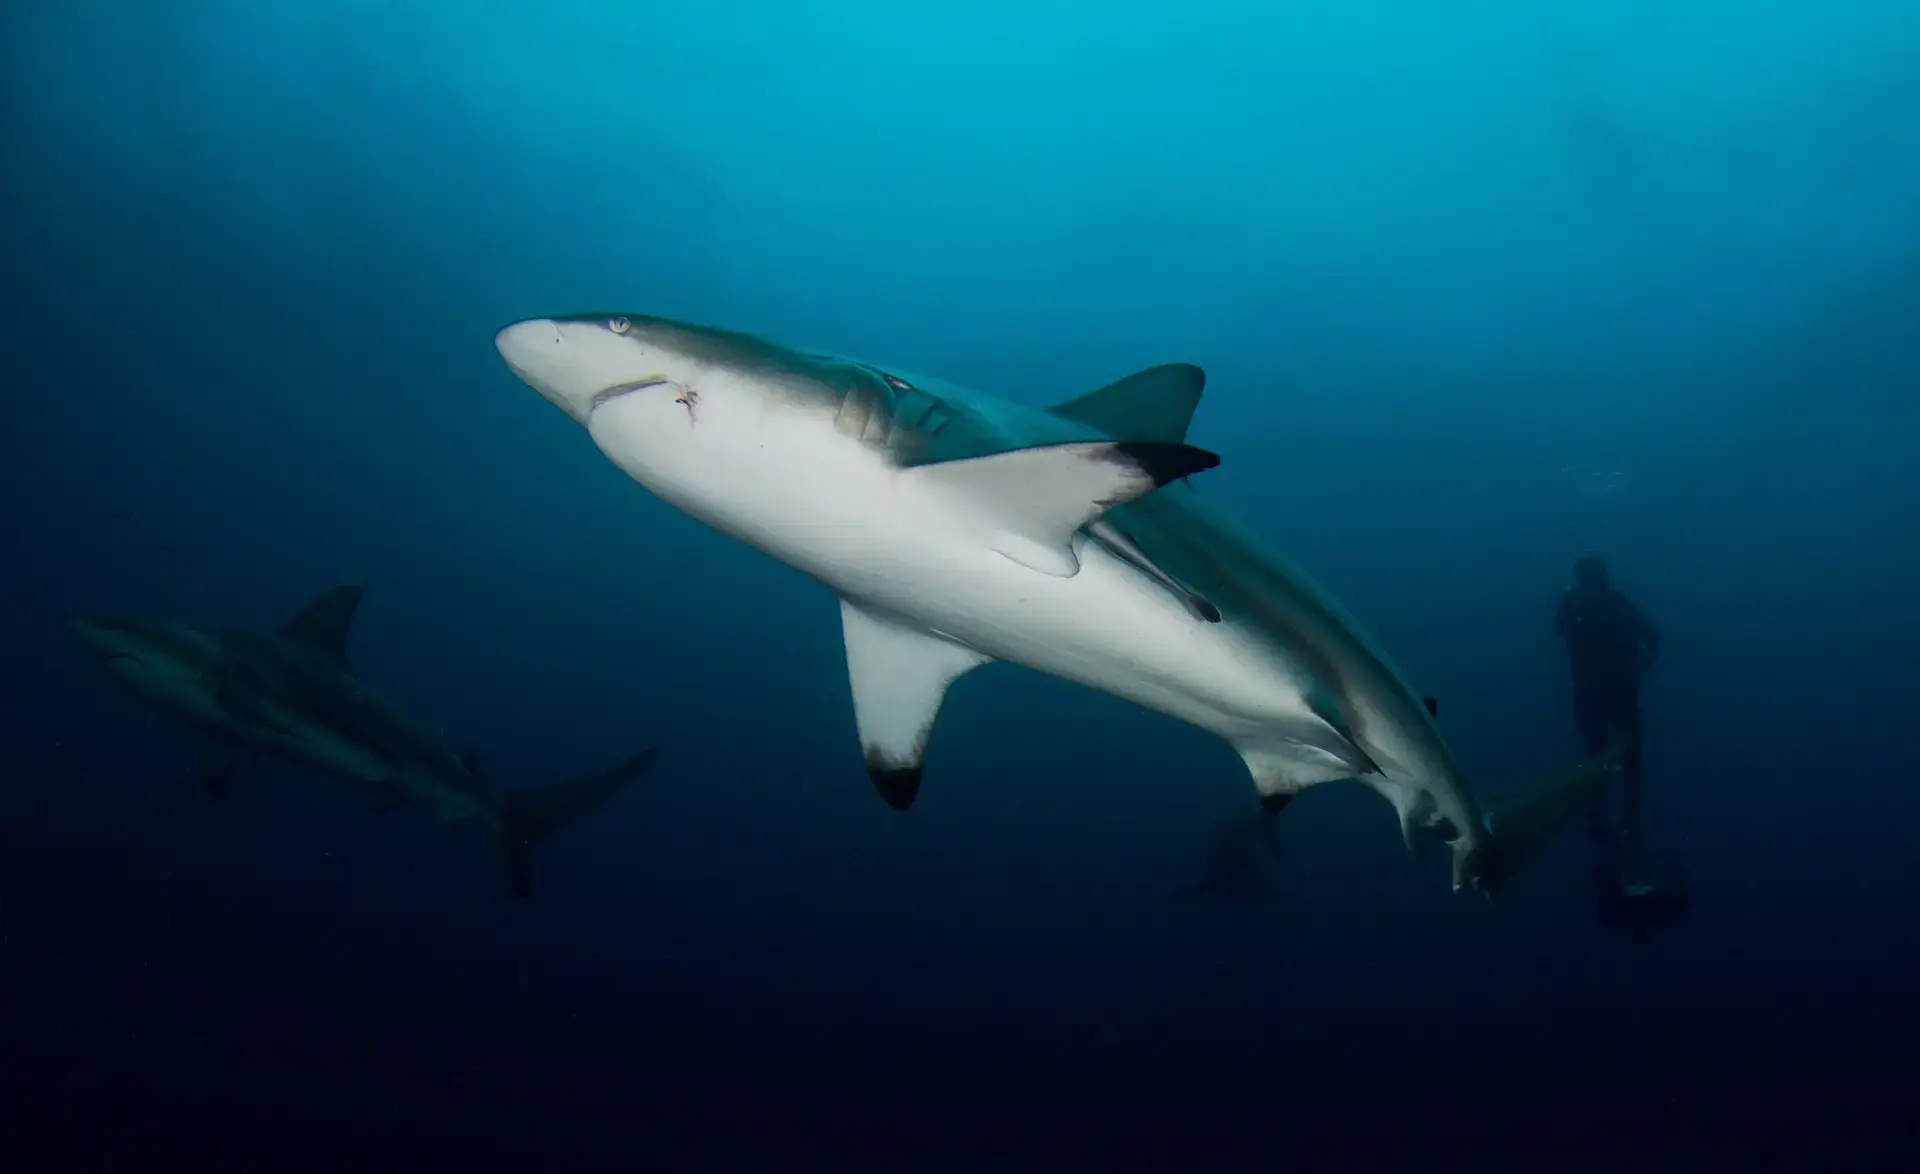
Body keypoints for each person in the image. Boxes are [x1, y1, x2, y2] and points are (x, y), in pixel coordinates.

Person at [1555, 554, 1683, 927]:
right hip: (1613, 698)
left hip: (1597, 700)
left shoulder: (1579, 608)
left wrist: (1644, 656)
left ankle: (1611, 826)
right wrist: (1644, 658)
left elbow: (1561, 626)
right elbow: (1652, 638)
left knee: (1603, 764)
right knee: (1621, 764)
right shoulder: (1610, 605)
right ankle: (1621, 826)